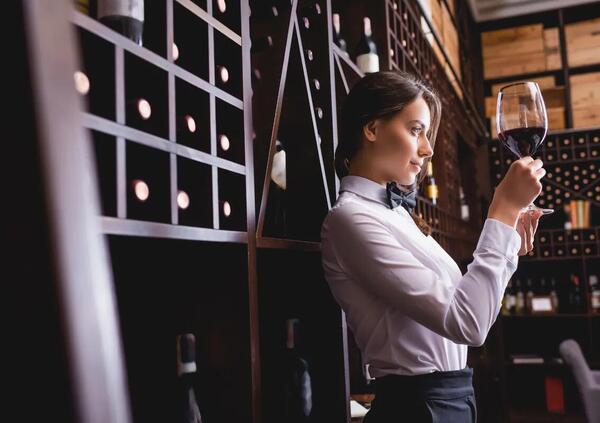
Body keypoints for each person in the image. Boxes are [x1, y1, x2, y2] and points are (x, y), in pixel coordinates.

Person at [320, 71, 544, 422]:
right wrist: (501, 210)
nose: (428, 149)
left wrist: (509, 243)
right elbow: (468, 324)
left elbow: (475, 310)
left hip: (452, 398)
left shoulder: (396, 214)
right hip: (415, 407)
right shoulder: (350, 220)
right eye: (415, 130)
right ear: (372, 128)